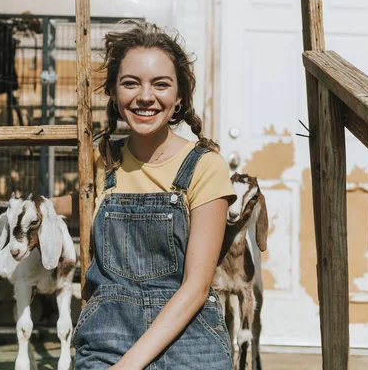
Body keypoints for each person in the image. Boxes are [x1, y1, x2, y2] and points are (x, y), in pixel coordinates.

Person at [52, 20, 236, 369]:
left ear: (179, 96)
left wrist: (129, 365)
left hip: (190, 339)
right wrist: (36, 208)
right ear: (113, 93)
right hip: (108, 337)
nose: (145, 96)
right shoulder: (99, 160)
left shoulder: (206, 166)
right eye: (131, 83)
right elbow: (79, 206)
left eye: (161, 84)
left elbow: (196, 288)